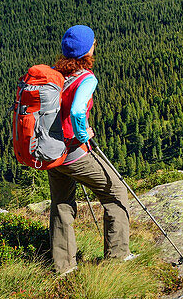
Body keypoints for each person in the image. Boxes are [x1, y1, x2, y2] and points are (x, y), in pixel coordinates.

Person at [48, 24, 133, 275]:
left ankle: (63, 267)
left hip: (52, 154)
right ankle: (118, 256)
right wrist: (83, 132)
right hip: (74, 152)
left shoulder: (53, 74)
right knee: (116, 193)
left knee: (61, 204)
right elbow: (76, 110)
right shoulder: (86, 78)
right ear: (88, 49)